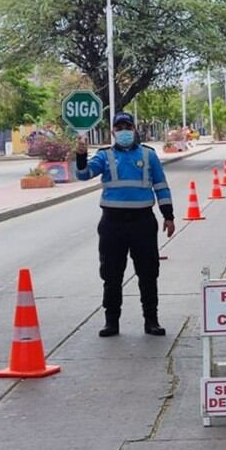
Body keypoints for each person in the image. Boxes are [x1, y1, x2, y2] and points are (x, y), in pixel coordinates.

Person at [75, 112, 176, 337]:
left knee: (148, 273)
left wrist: (168, 216)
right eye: (119, 127)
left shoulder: (149, 156)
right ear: (113, 131)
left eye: (127, 126)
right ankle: (112, 322)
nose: (124, 131)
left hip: (143, 222)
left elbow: (161, 186)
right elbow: (84, 175)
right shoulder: (105, 156)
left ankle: (151, 320)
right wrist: (80, 156)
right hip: (113, 223)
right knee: (111, 275)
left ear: (134, 128)